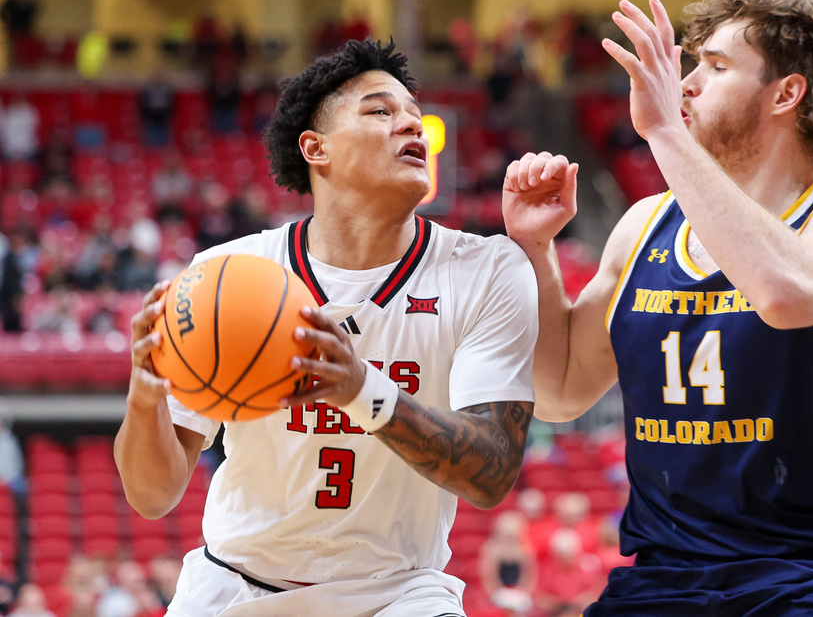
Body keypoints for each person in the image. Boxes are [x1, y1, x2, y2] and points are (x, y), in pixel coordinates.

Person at [503, 0, 813, 616]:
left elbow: (781, 293)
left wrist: (666, 131)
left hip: (805, 580)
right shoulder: (642, 227)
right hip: (660, 581)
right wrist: (536, 251)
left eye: (714, 66)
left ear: (787, 93)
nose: (686, 83)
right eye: (691, 64)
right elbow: (558, 391)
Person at [114, 38, 538, 617]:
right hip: (236, 583)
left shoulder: (487, 269)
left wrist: (361, 389)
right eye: (380, 112)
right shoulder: (228, 276)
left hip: (400, 593)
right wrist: (145, 394)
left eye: (417, 116)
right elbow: (153, 496)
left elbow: (492, 473)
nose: (412, 127)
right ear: (316, 148)